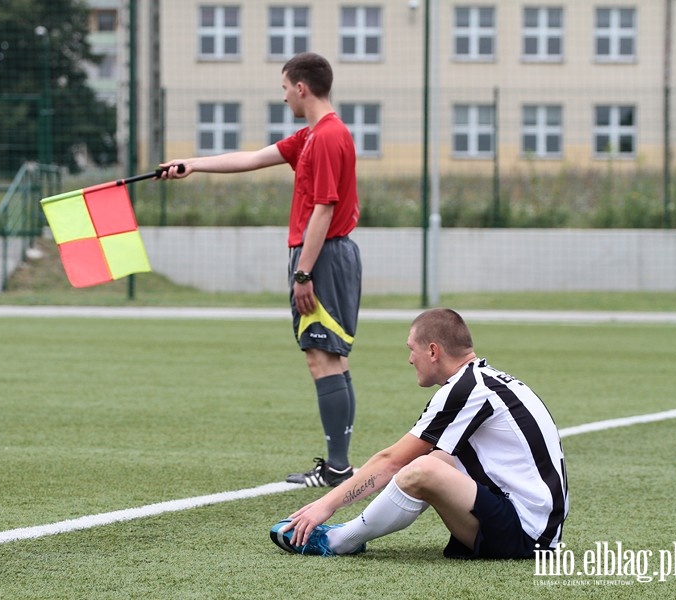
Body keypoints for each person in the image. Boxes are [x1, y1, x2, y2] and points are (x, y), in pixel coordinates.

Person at [159, 52, 361, 487]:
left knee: (322, 358)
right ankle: (338, 464)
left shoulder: (326, 137)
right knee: (329, 358)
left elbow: (324, 210)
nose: (284, 95)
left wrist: (303, 273)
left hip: (321, 256)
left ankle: (338, 467)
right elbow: (251, 159)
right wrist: (191, 164)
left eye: (285, 87)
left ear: (301, 87)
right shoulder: (313, 135)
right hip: (324, 255)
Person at [270, 308, 569, 559]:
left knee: (423, 468)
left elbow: (391, 461)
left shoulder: (467, 389)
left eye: (411, 350)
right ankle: (347, 534)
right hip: (532, 525)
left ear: (433, 351)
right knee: (433, 457)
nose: (410, 360)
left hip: (529, 534)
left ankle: (338, 541)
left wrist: (324, 506)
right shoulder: (481, 380)